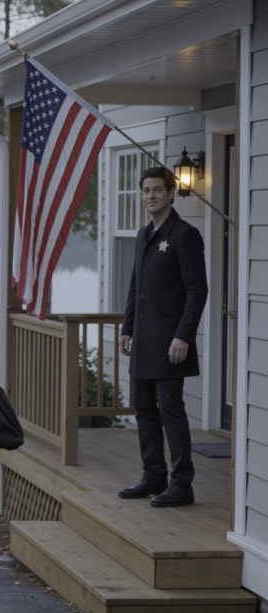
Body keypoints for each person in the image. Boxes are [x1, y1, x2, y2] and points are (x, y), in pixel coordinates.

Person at [119, 167, 208, 507]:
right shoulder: (144, 235)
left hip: (172, 341)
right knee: (144, 407)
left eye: (158, 189)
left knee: (171, 408)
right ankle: (153, 475)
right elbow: (135, 288)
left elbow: (197, 291)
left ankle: (182, 483)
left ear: (172, 193)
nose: (151, 195)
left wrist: (184, 335)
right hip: (143, 337)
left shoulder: (185, 235)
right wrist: (127, 329)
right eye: (146, 190)